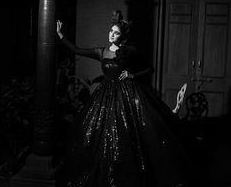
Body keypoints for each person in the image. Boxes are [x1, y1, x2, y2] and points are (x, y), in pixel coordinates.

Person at [55, 10, 198, 187]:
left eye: (116, 32)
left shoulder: (128, 51)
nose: (111, 34)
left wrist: (132, 74)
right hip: (105, 95)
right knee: (100, 132)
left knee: (129, 131)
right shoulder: (101, 51)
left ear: (121, 36)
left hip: (126, 94)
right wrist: (61, 35)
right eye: (111, 30)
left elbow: (149, 69)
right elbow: (77, 49)